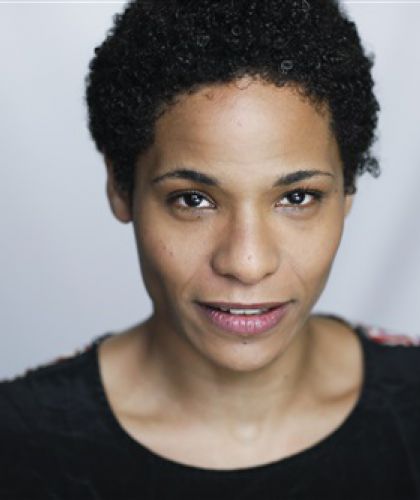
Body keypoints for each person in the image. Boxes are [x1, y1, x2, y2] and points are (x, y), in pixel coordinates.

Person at [1, 0, 420, 498]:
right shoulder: (20, 445)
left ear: (347, 190)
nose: (247, 263)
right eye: (193, 200)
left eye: (297, 197)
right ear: (121, 187)